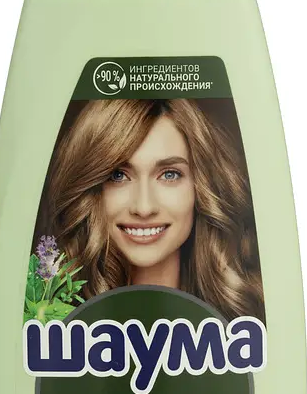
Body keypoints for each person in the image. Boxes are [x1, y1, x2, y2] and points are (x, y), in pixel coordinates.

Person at [38, 99, 265, 322]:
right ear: (89, 188)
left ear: (202, 188)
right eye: (118, 175)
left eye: (169, 174)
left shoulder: (246, 315)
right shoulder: (48, 318)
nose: (144, 208)